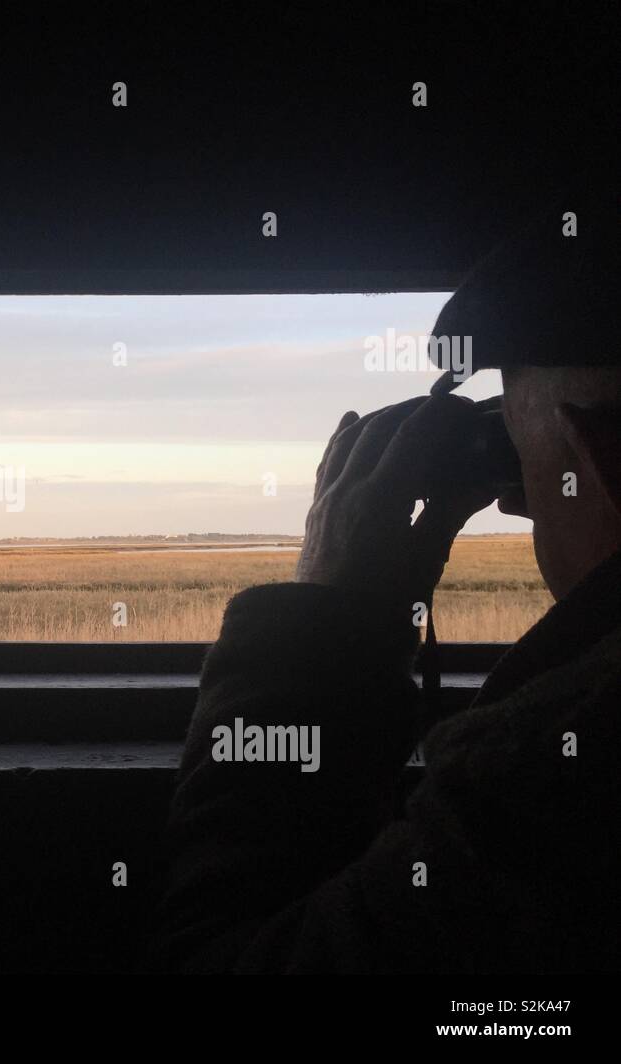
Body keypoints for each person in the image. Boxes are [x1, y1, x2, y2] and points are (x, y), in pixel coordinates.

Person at [151, 199, 621, 972]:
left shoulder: (557, 786)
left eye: (521, 443)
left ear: (605, 459)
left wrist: (320, 630)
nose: (516, 497)